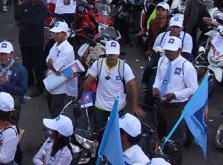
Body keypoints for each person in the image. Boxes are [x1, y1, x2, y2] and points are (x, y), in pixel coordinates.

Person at [152, 36, 198, 165]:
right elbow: (158, 78)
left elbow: (193, 88)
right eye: (167, 50)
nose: (169, 53)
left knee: (175, 140)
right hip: (161, 104)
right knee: (161, 134)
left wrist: (175, 95)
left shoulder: (186, 66)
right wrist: (155, 87)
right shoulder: (162, 61)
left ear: (179, 50)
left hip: (176, 108)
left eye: (172, 50)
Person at [81, 41, 143, 133]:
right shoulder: (98, 64)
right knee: (99, 132)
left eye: (114, 53)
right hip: (100, 107)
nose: (112, 56)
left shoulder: (124, 67)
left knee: (115, 133)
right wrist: (85, 99)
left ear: (118, 53)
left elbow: (133, 86)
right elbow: (88, 82)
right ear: (106, 52)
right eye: (110, 53)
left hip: (117, 108)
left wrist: (135, 106)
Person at [14, 0, 47, 96]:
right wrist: (19, 5)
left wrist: (24, 20)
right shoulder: (25, 4)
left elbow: (36, 22)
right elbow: (17, 17)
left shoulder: (42, 7)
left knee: (38, 65)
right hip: (24, 39)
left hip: (36, 40)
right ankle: (29, 82)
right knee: (26, 63)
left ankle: (39, 86)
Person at [45, 21, 77, 118]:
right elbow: (47, 61)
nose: (54, 35)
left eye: (57, 33)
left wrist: (52, 65)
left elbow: (56, 68)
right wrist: (52, 66)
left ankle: (56, 130)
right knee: (50, 105)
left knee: (56, 109)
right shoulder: (55, 45)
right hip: (52, 80)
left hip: (61, 85)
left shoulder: (67, 49)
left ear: (64, 34)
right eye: (54, 33)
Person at [0, 41, 28, 119]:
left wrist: (6, 84)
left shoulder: (21, 70)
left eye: (5, 54)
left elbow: (23, 90)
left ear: (12, 54)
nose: (3, 57)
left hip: (13, 104)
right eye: (1, 54)